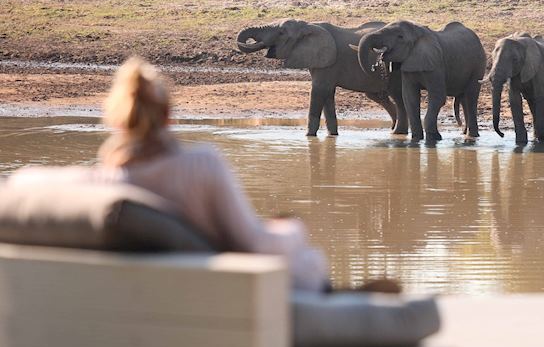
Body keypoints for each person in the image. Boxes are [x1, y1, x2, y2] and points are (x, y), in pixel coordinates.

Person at [10, 57, 330, 292]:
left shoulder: (103, 185)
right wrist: (293, 229)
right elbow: (255, 244)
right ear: (167, 116)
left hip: (153, 298)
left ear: (118, 121)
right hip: (227, 298)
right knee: (309, 262)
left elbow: (26, 181)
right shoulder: (201, 166)